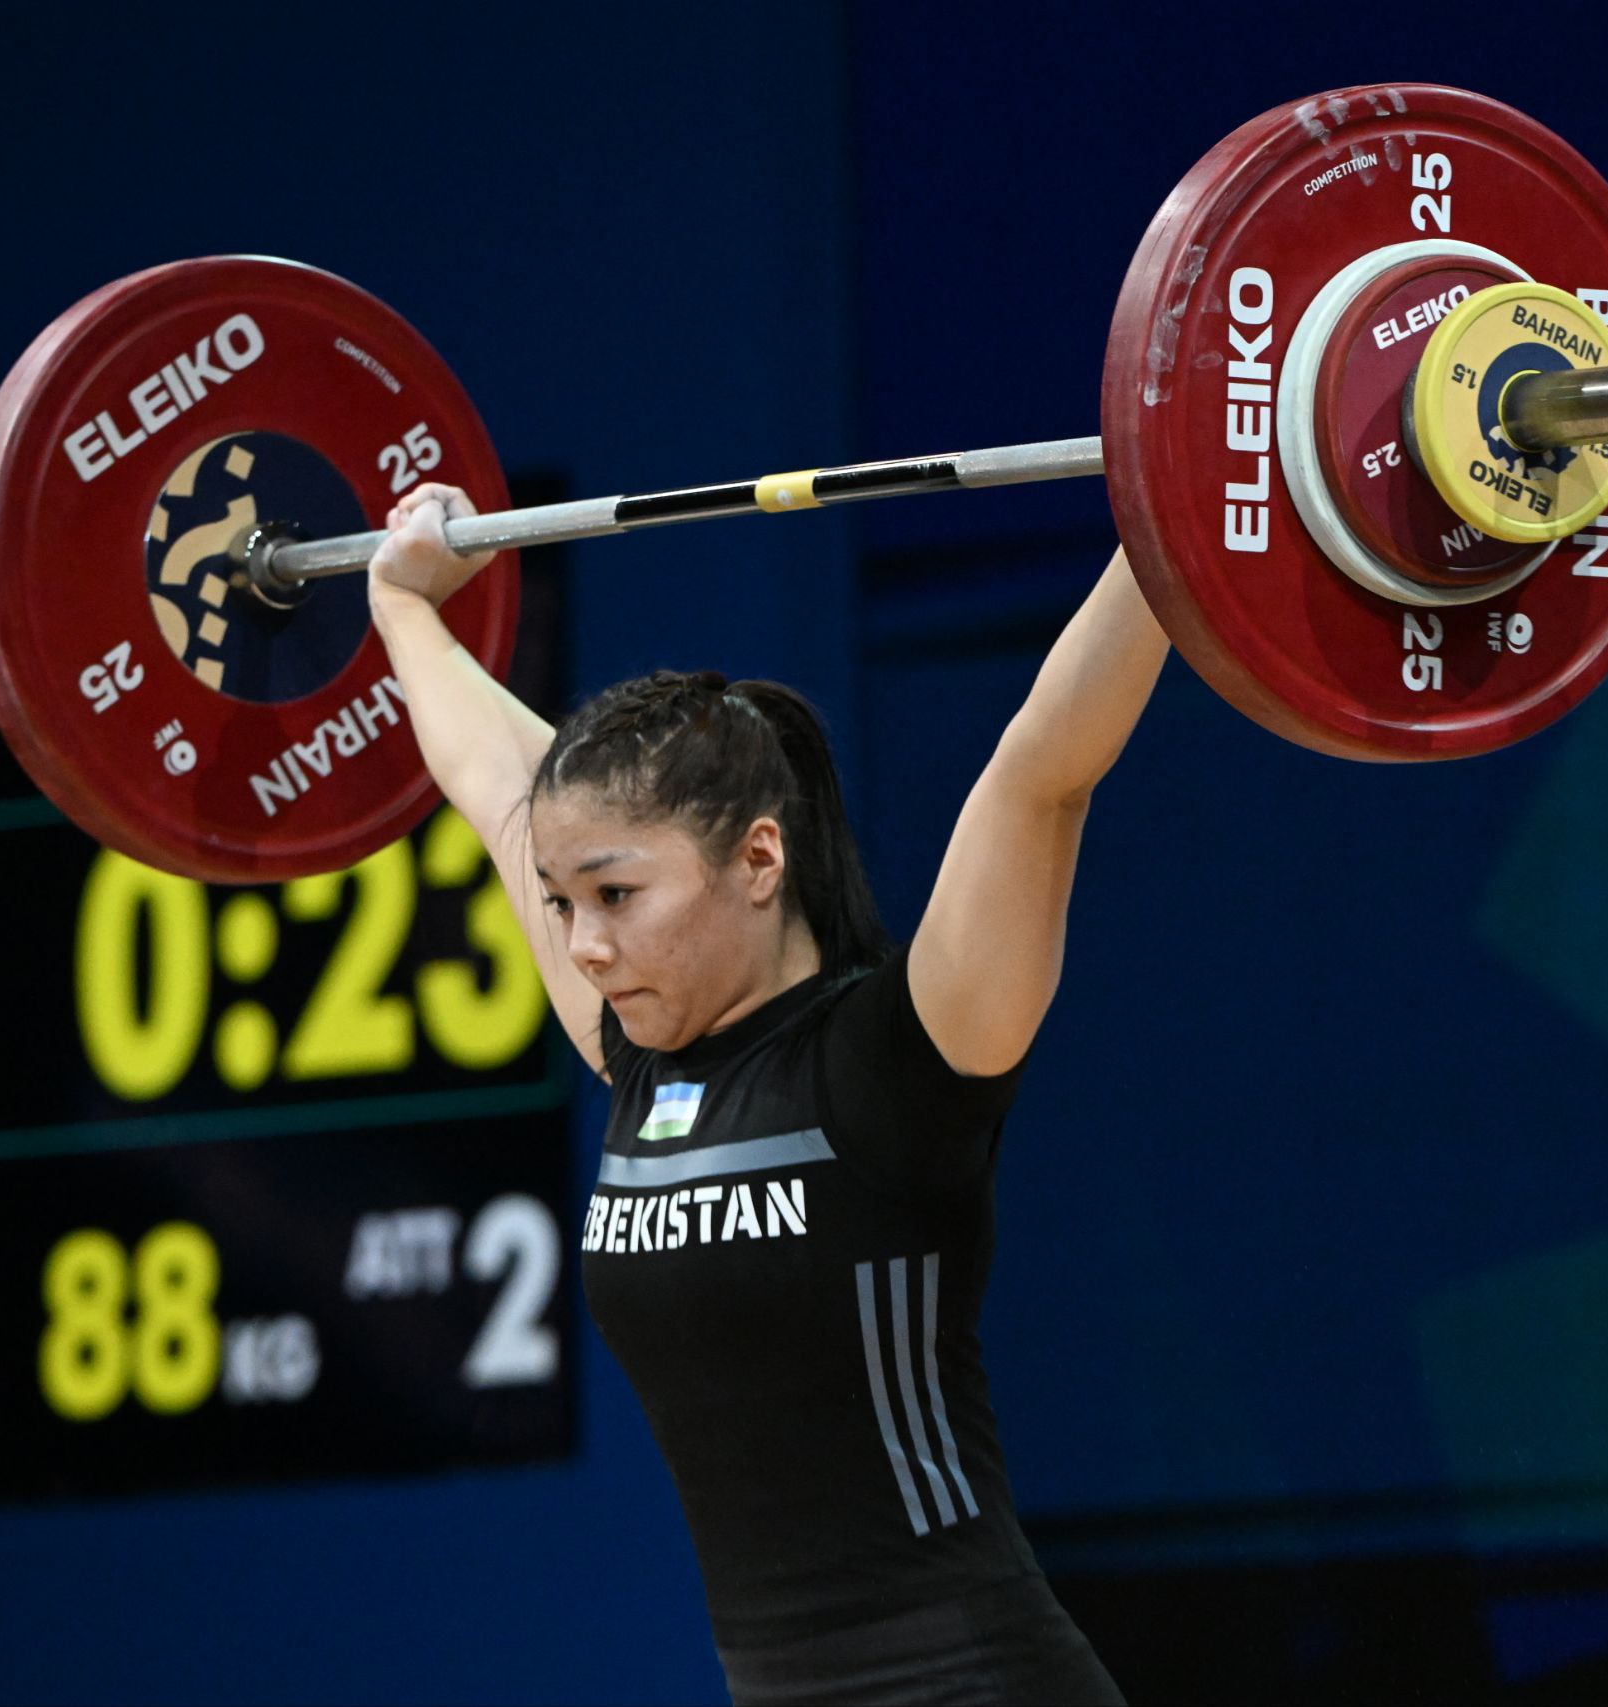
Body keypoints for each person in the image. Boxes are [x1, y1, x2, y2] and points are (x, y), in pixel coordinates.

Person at [368, 482, 1167, 1705]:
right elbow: (494, 780)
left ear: (757, 858)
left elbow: (1041, 772)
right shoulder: (640, 1057)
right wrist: (402, 605)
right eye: (562, 901)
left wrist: (1173, 505)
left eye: (615, 896)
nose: (581, 944)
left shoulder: (899, 1059)